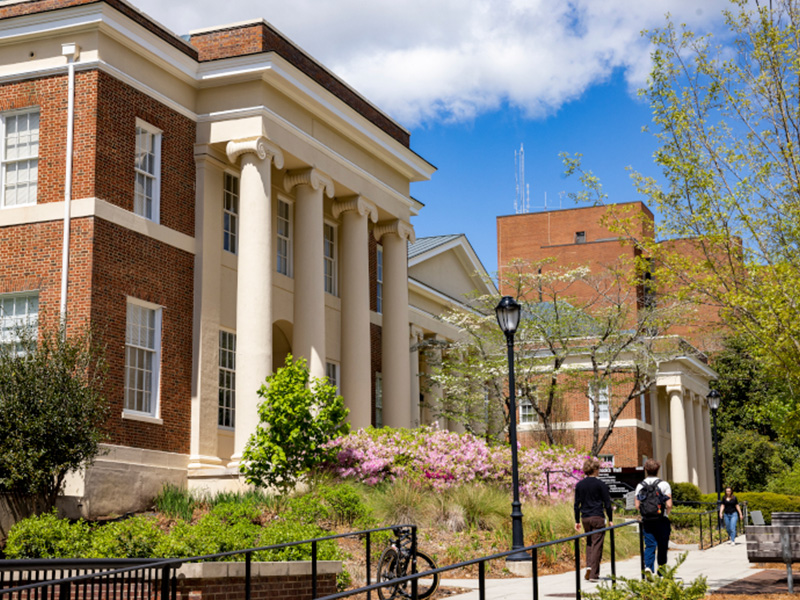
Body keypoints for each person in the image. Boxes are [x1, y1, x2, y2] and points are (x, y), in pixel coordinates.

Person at [573, 457, 613, 582]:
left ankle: (589, 566)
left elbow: (576, 504)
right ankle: (594, 574)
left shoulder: (579, 485)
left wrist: (577, 521)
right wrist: (610, 519)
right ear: (595, 469)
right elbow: (607, 504)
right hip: (597, 517)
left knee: (589, 543)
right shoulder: (601, 485)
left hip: (585, 518)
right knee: (597, 545)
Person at [634, 459, 672, 575]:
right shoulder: (664, 484)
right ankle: (661, 571)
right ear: (658, 470)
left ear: (645, 470)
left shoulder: (640, 485)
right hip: (661, 519)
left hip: (647, 520)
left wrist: (646, 511)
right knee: (662, 545)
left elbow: (637, 505)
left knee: (650, 544)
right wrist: (666, 513)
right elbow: (669, 504)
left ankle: (648, 567)